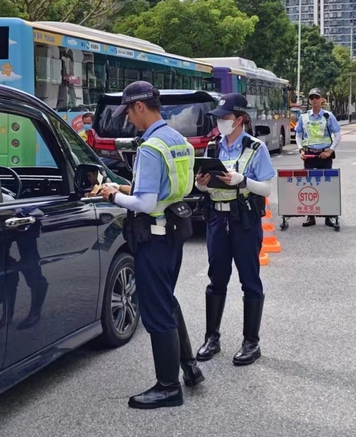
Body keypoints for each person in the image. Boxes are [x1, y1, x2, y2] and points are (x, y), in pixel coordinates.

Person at [99, 81, 203, 409]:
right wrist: (127, 186)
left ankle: (168, 387)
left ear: (140, 107)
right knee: (167, 301)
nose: (128, 118)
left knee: (156, 311)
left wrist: (113, 195)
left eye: (129, 111)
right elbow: (168, 189)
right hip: (173, 232)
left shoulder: (150, 147)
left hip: (153, 237)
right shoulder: (179, 141)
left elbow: (144, 203)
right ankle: (189, 367)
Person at [194, 94, 275, 366]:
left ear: (239, 119)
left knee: (249, 280)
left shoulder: (255, 148)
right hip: (217, 220)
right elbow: (202, 186)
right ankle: (211, 338)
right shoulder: (213, 147)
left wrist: (243, 181)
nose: (220, 122)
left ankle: (251, 342)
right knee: (216, 279)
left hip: (244, 221)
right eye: (218, 118)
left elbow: (266, 189)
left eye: (225, 118)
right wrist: (202, 184)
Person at [294, 89, 342, 228]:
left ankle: (328, 217)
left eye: (317, 97)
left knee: (326, 186)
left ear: (322, 99)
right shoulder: (303, 117)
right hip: (309, 155)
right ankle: (311, 217)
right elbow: (298, 135)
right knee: (309, 186)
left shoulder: (328, 116)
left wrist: (330, 150)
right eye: (311, 97)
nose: (314, 100)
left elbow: (338, 135)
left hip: (324, 155)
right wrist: (300, 149)